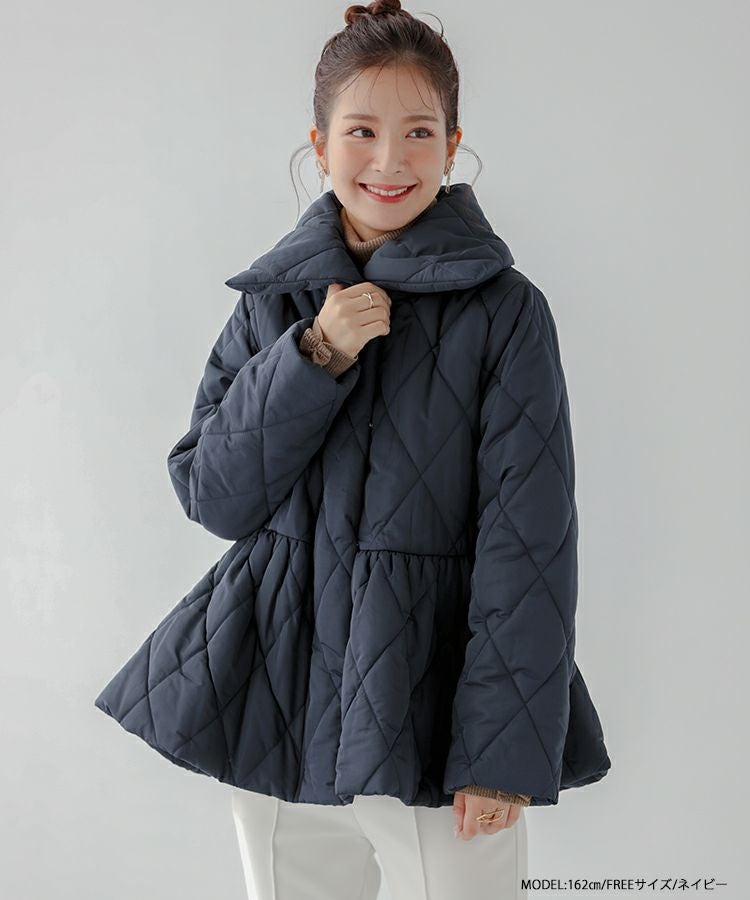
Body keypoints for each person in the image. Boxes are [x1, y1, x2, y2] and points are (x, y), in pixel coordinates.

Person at [93, 1, 611, 897]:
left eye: (419, 132)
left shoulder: (505, 312)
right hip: (281, 699)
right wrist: (313, 356)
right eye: (362, 131)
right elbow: (214, 496)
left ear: (453, 147)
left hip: (434, 706)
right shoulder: (273, 303)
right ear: (320, 145)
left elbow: (527, 542)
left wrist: (497, 752)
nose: (389, 161)